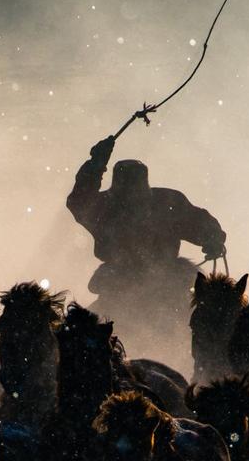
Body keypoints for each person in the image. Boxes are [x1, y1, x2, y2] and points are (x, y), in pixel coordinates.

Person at [66, 134, 226, 367]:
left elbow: (79, 199)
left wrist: (213, 237)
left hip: (160, 288)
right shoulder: (166, 203)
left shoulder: (107, 207)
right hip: (123, 288)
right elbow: (198, 220)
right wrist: (96, 163)